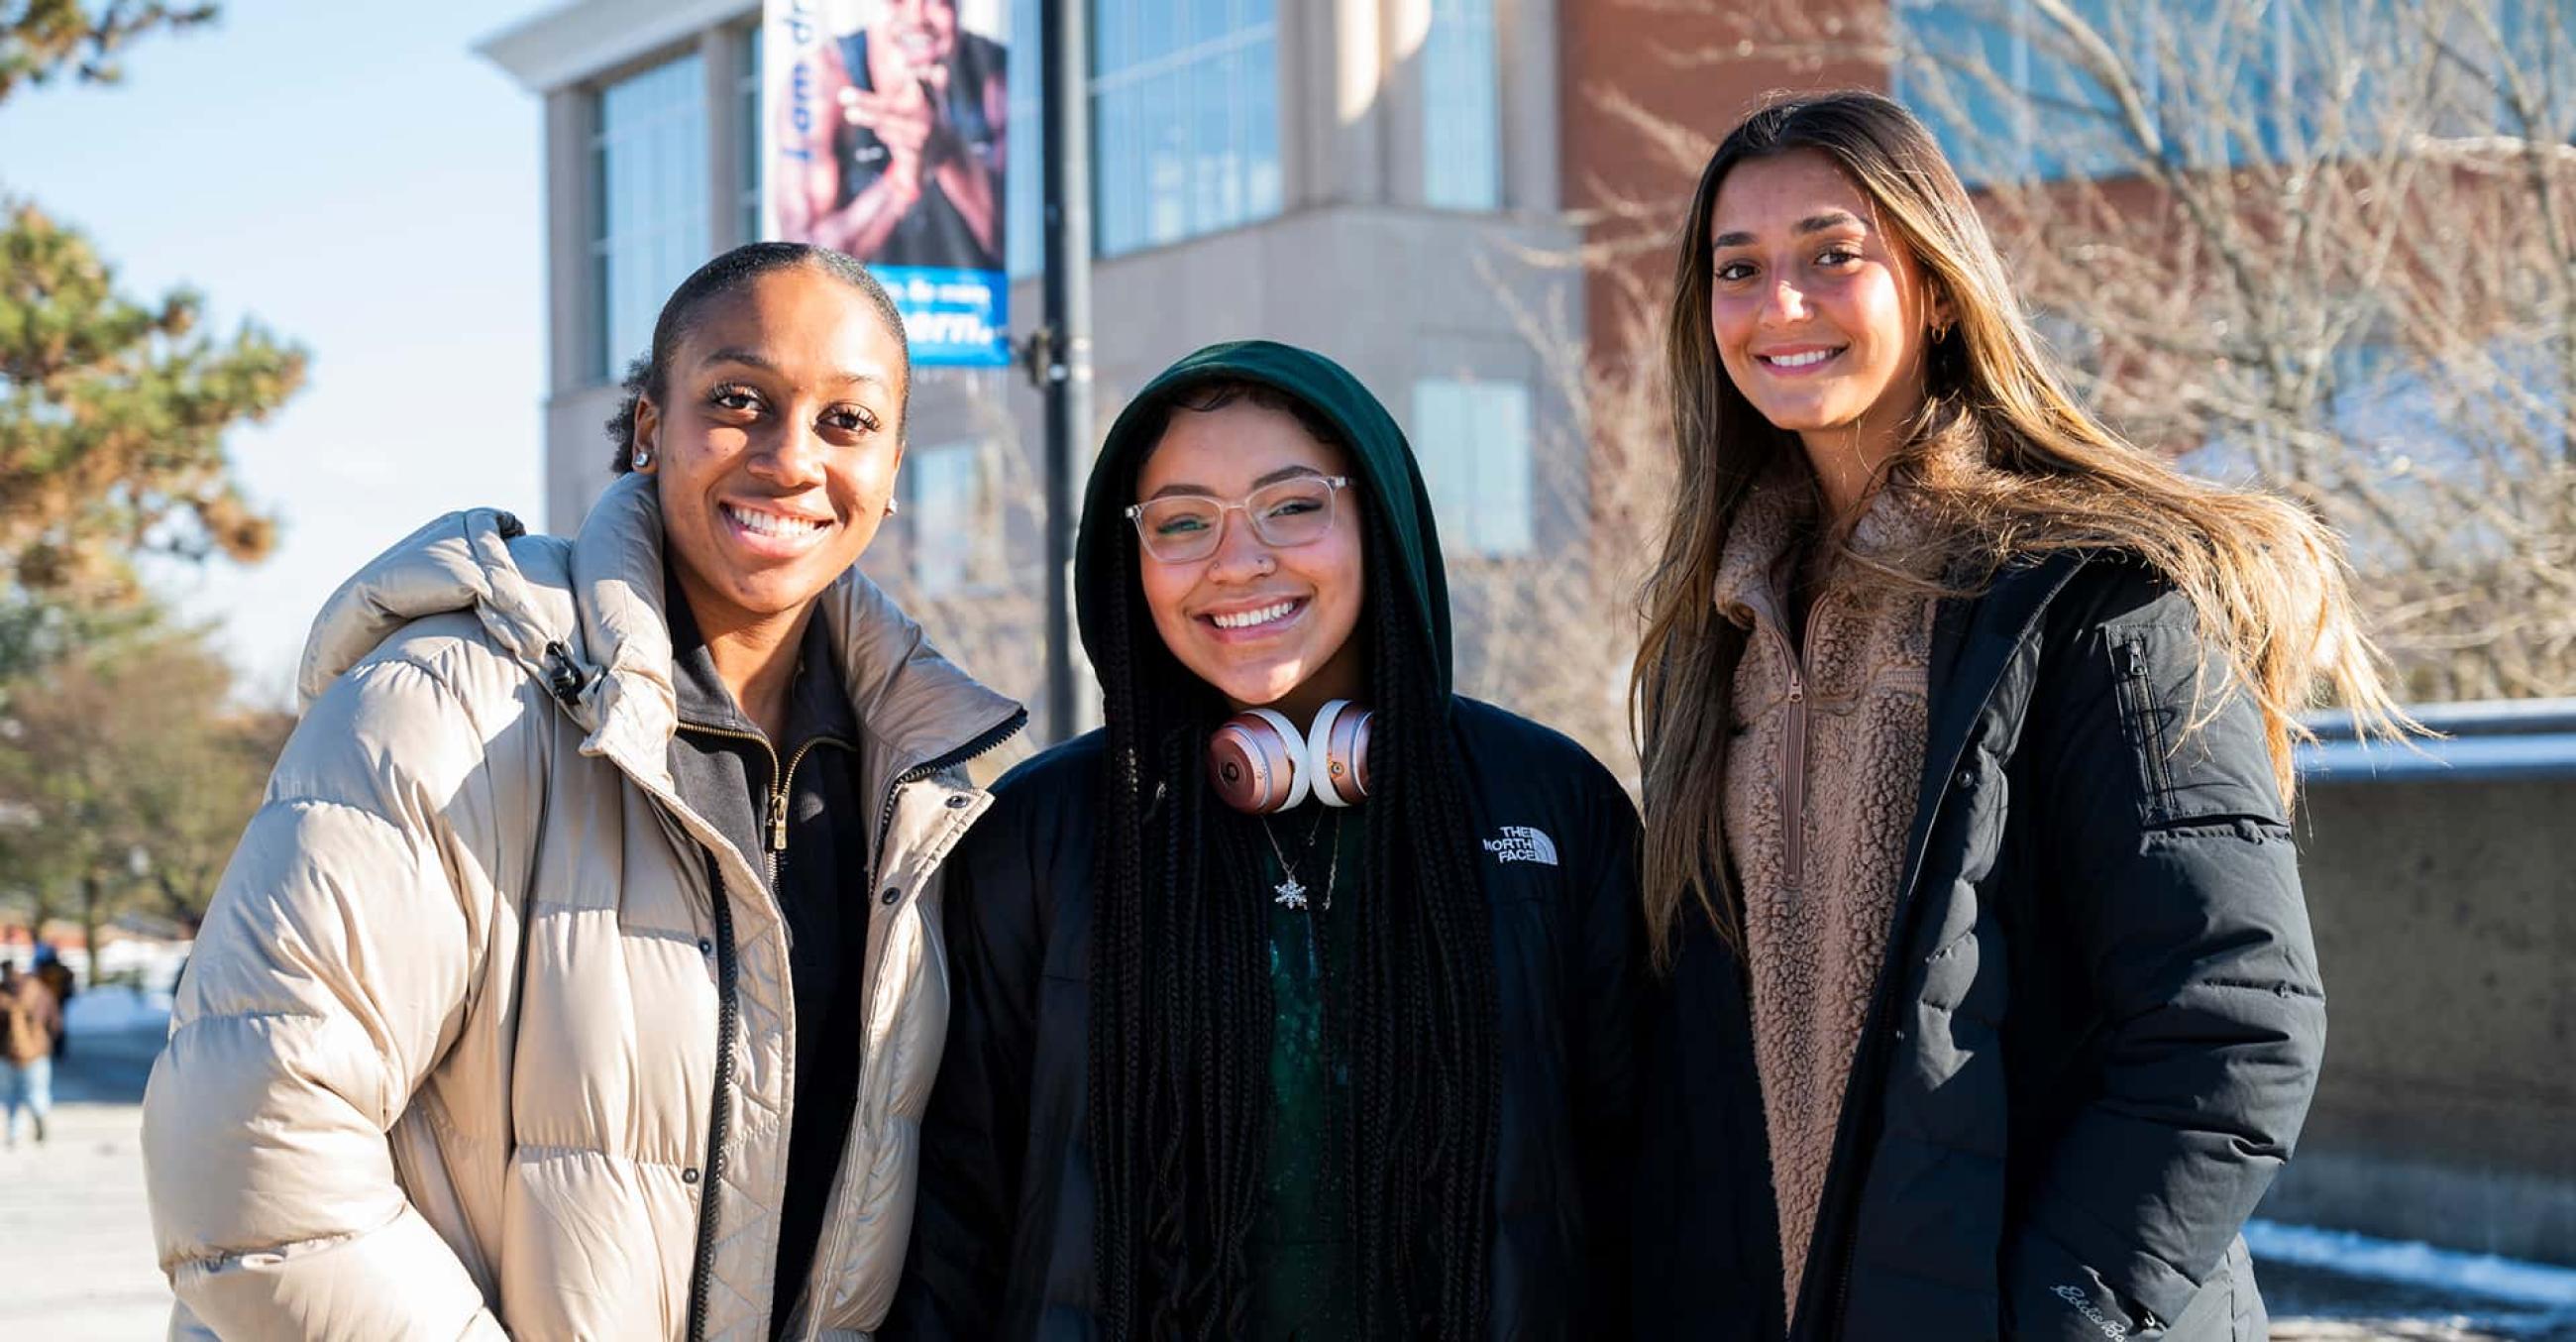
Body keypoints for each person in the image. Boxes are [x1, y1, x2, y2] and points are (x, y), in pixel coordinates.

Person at [1628, 91, 2410, 1342]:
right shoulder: (1720, 633)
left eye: (1833, 255)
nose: (1778, 304)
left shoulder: (2095, 596)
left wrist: (2056, 1316)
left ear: (1935, 286)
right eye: (1739, 268)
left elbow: (2230, 1023)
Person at [141, 242, 1025, 1340]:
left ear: (890, 476)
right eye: (738, 399)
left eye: (845, 422)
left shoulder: (921, 783)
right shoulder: (445, 702)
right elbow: (246, 1163)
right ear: (649, 427)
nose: (791, 458)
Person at [891, 341, 1643, 1340]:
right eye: (1183, 522)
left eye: (1293, 507)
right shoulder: (1037, 833)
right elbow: (952, 1220)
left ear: (1376, 516)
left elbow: (1644, 1190)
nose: (1238, 560)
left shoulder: (1550, 805)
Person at [783, 0, 1006, 272]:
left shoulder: (1000, 77)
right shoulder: (824, 78)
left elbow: (1024, 245)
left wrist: (947, 156)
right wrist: (901, 180)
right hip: (860, 310)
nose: (917, 17)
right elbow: (800, 265)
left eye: (939, 1)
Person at [2, 959, 60, 1148]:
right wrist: (50, 1043)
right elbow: (54, 1022)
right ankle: (39, 1115)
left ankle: (13, 1131)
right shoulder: (40, 992)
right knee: (37, 1091)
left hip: (5, 1053)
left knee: (10, 1095)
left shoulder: (2, 993)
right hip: (37, 1052)